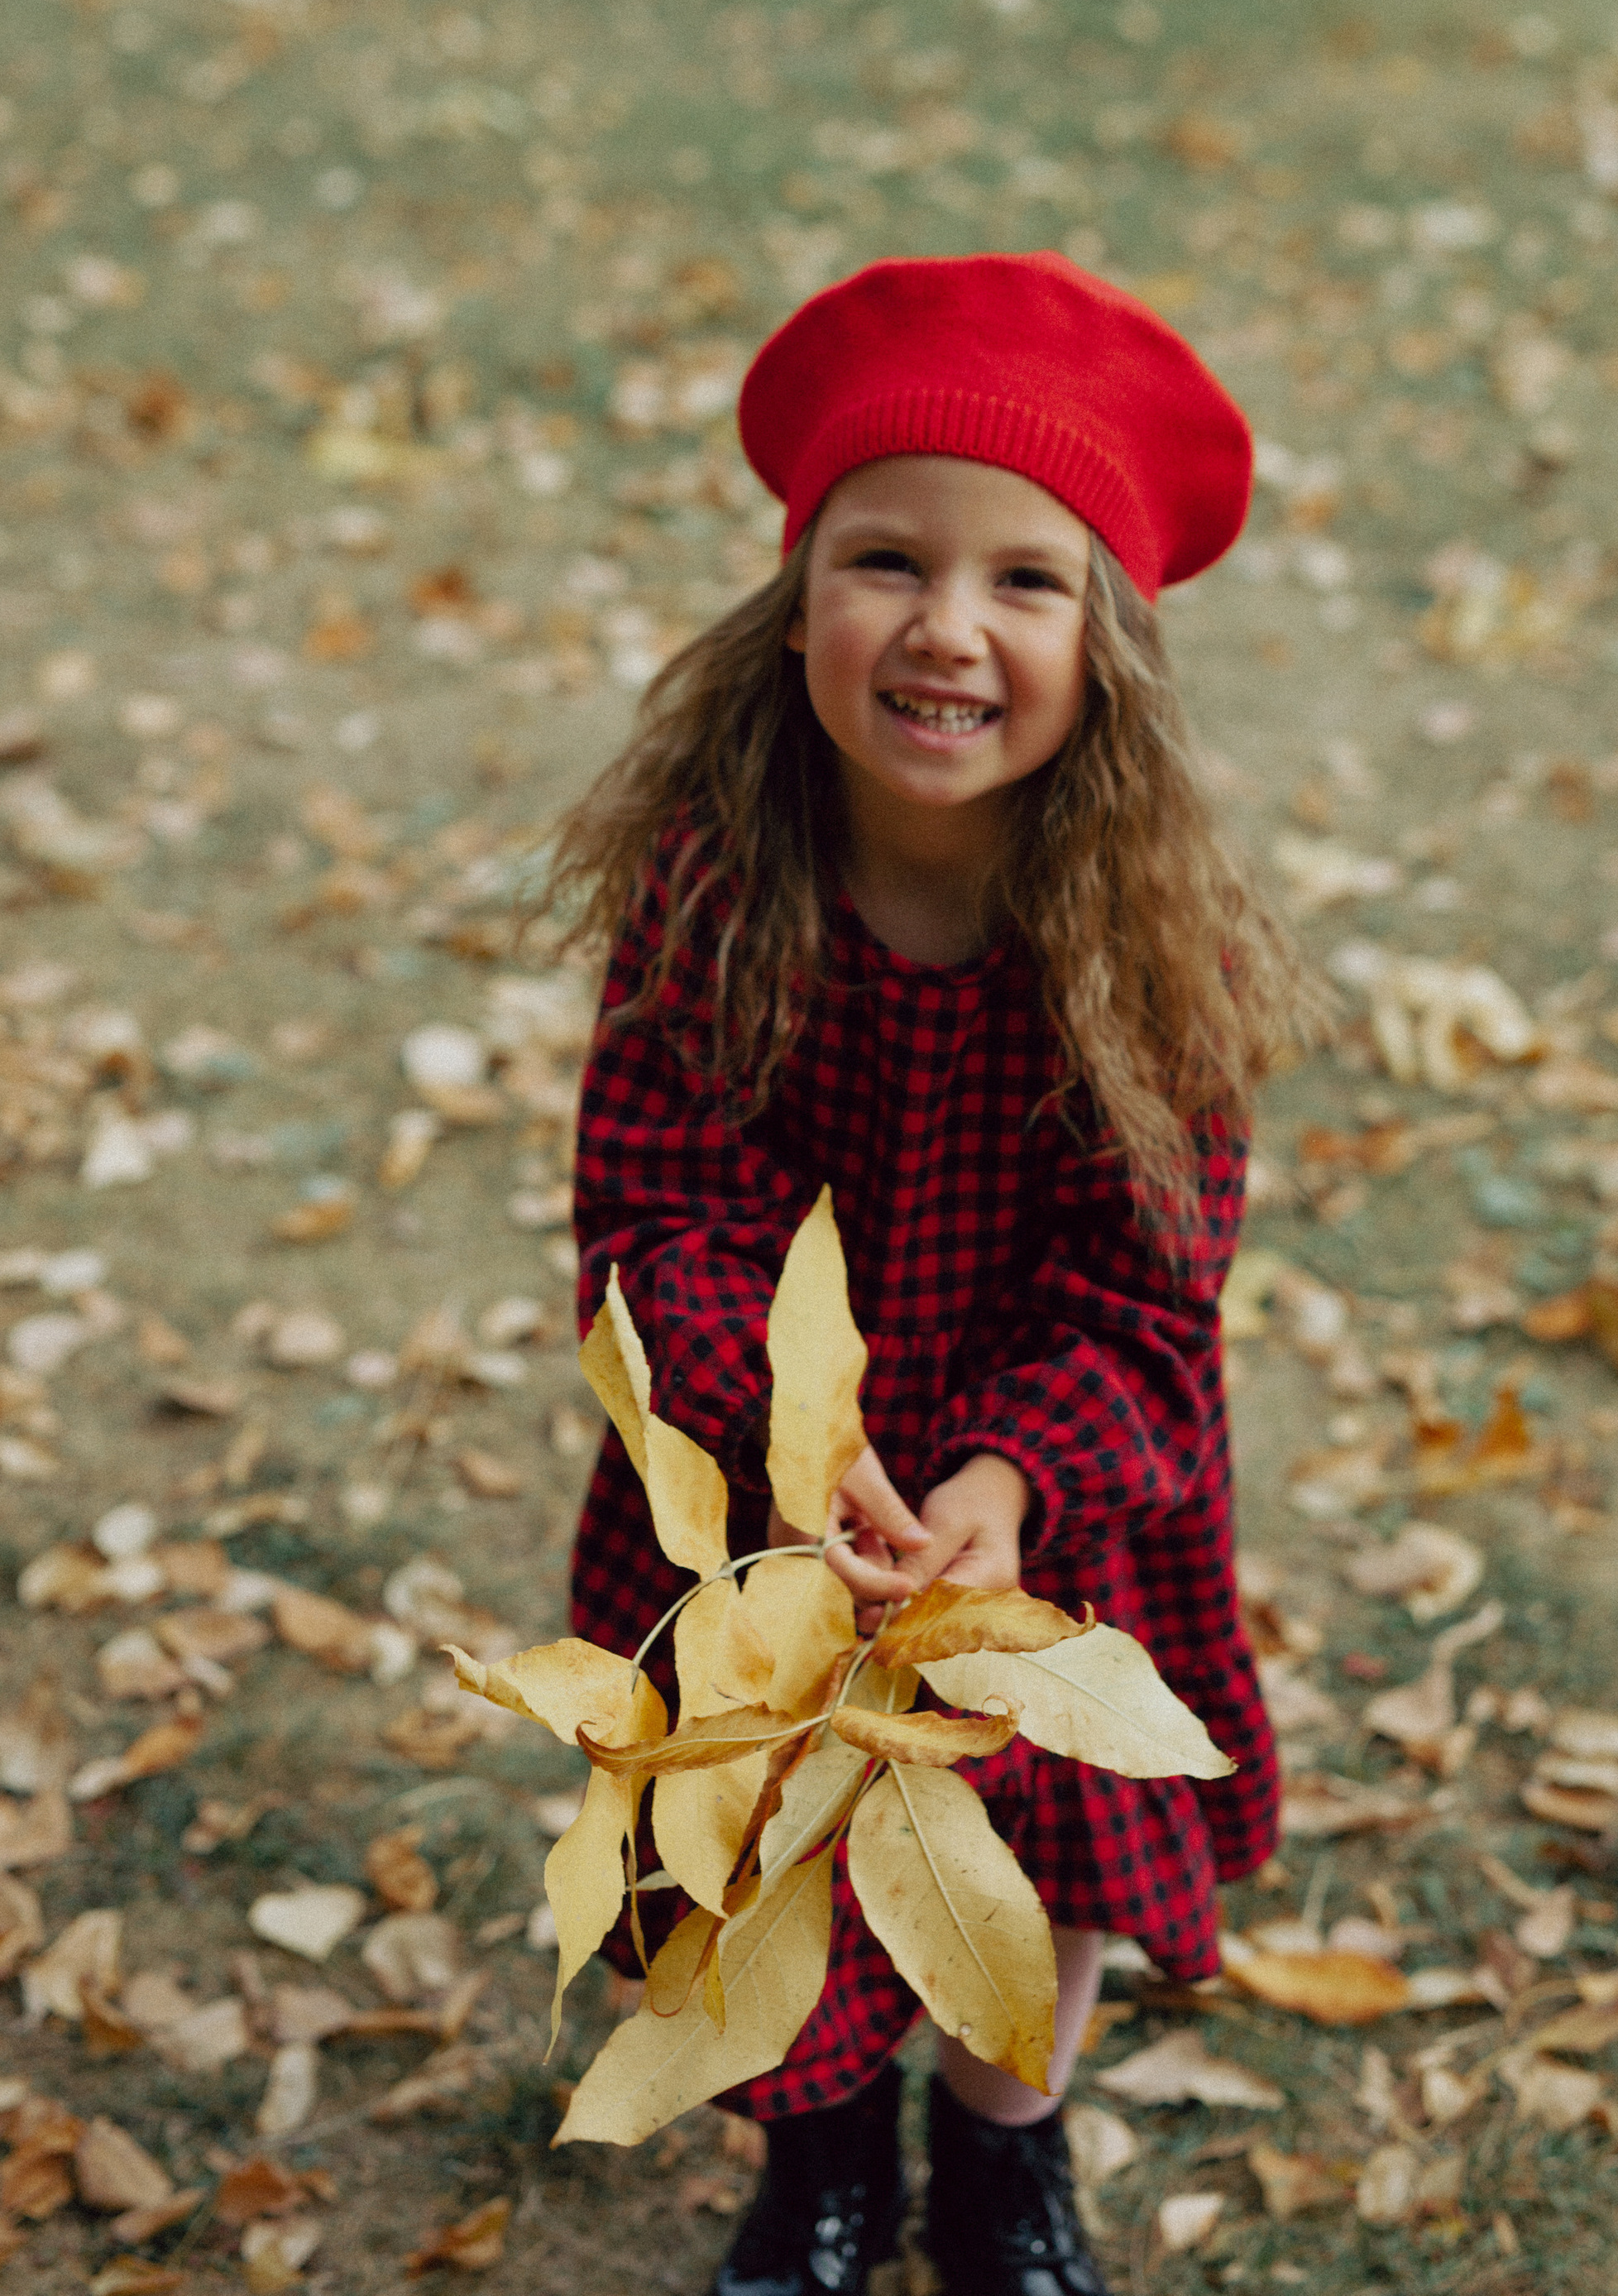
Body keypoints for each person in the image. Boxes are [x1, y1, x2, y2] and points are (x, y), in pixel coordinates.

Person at [545, 252, 1319, 2296]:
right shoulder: (717, 888)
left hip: (1044, 1493)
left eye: (1025, 582)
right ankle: (812, 2174)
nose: (945, 629)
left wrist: (994, 1489)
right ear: (796, 595)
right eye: (885, 559)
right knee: (761, 1827)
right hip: (758, 1488)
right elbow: (649, 1224)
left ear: (1111, 643)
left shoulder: (1155, 947)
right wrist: (797, 1453)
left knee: (1030, 1833)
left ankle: (1001, 2151)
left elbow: (1146, 1297)